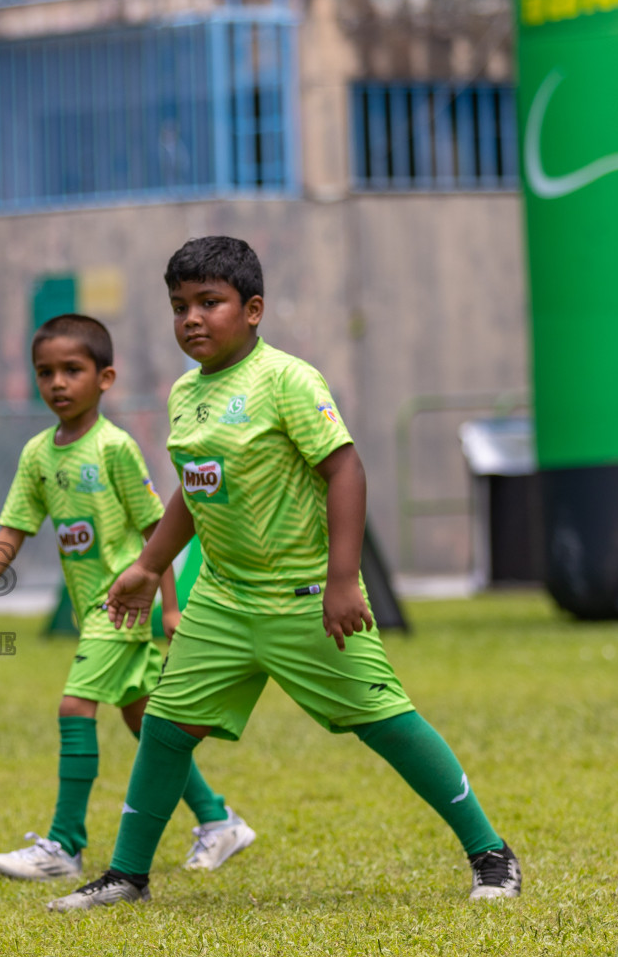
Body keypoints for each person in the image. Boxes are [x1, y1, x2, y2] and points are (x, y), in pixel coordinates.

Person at [49, 236, 520, 910]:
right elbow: (193, 486)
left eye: (209, 302)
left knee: (387, 721)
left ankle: (492, 855)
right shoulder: (186, 394)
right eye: (179, 305)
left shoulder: (287, 380)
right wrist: (150, 566)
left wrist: (341, 580)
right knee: (165, 727)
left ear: (253, 309)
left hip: (305, 598)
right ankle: (128, 875)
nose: (191, 318)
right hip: (222, 601)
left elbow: (345, 468)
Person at [0, 314, 254, 884]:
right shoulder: (38, 455)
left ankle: (64, 845)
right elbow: (13, 529)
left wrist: (167, 606)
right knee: (146, 721)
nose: (58, 383)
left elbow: (154, 531)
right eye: (46, 372)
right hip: (90, 608)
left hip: (118, 609)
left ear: (105, 377)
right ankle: (219, 820)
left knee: (74, 707)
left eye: (73, 370)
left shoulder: (116, 448)